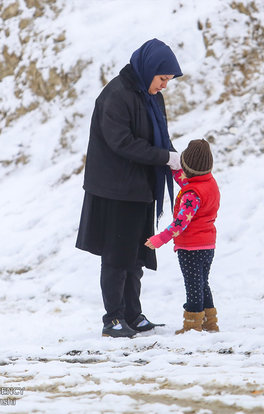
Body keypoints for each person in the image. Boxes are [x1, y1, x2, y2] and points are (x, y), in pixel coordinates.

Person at [76, 39, 184, 338]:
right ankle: (112, 319)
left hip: (140, 188)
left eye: (168, 81)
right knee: (117, 256)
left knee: (136, 256)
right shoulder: (116, 96)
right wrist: (166, 157)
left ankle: (133, 315)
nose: (164, 86)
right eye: (162, 79)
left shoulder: (151, 97)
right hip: (115, 189)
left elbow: (160, 137)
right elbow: (122, 143)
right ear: (148, 70)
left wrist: (177, 162)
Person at [145, 139, 221, 334]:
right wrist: (174, 168)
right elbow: (188, 180)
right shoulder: (209, 183)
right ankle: (210, 323)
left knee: (193, 287)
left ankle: (192, 326)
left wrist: (159, 239)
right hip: (207, 245)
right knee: (202, 283)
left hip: (191, 248)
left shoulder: (191, 195)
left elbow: (180, 224)